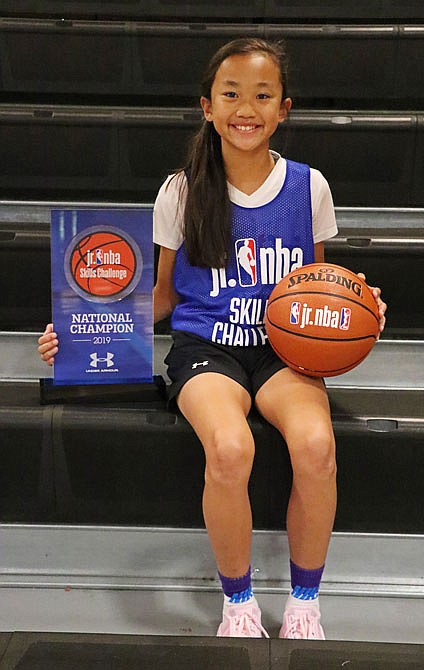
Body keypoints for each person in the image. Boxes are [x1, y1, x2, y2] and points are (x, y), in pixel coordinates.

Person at [38, 37, 387, 639]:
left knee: (316, 447)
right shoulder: (180, 190)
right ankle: (239, 604)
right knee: (229, 450)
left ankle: (305, 602)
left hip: (285, 353)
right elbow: (167, 295)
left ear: (284, 109)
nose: (245, 107)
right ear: (207, 106)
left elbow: (317, 286)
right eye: (231, 93)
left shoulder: (311, 186)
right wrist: (75, 331)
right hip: (207, 350)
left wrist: (361, 308)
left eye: (262, 95)